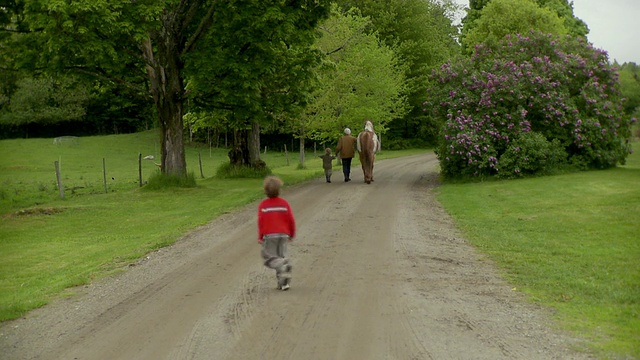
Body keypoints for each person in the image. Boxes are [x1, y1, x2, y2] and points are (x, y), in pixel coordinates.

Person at [257, 176, 296, 291]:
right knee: (280, 256)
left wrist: (260, 236)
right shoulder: (284, 204)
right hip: (284, 234)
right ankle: (283, 283)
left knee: (269, 257)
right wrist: (291, 234)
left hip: (270, 235)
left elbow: (261, 222)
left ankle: (283, 265)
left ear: (265, 191)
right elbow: (291, 220)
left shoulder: (263, 205)